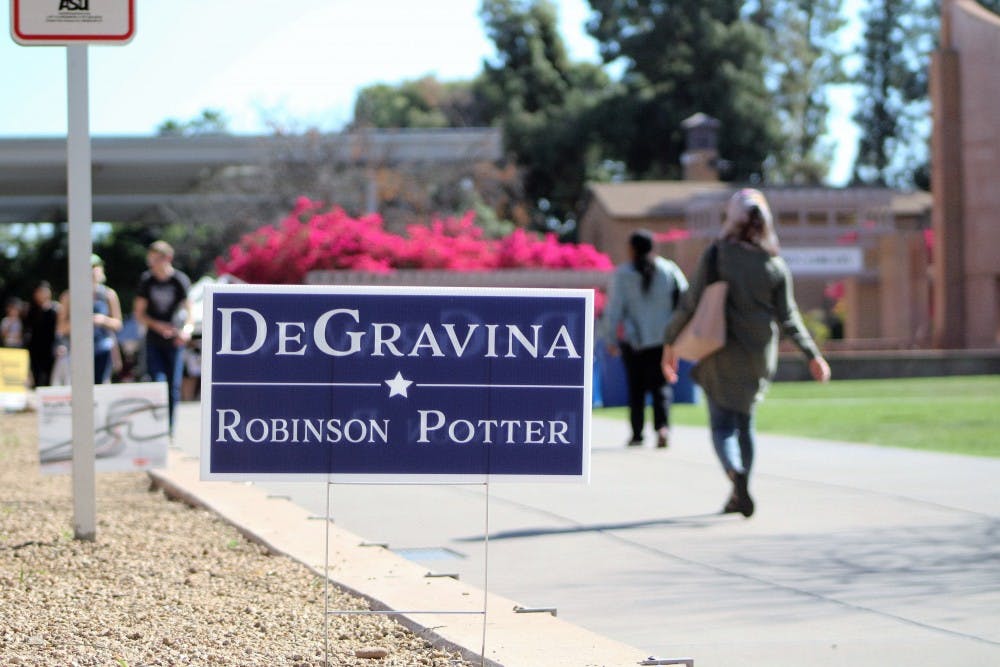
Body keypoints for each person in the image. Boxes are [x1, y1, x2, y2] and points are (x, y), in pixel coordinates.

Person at [662, 189, 830, 518]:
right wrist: (813, 354)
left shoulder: (717, 255)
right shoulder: (775, 265)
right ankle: (740, 490)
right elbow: (789, 316)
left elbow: (691, 301)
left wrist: (670, 343)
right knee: (745, 424)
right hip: (758, 354)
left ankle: (734, 475)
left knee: (721, 426)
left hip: (719, 351)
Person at [603, 229, 688, 448]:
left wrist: (610, 339)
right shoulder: (669, 270)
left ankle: (637, 434)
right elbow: (685, 299)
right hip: (663, 339)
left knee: (636, 389)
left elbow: (614, 310)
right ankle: (662, 427)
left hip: (635, 341)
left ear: (632, 249)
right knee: (661, 386)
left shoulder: (623, 274)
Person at [133, 241, 193, 432]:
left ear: (167, 258)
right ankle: (155, 427)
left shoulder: (179, 280)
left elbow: (189, 311)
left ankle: (169, 430)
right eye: (150, 259)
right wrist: (157, 326)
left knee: (173, 386)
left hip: (175, 340)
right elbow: (139, 314)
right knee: (157, 381)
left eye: (155, 258)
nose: (152, 263)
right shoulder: (147, 280)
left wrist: (186, 331)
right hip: (154, 339)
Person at [55, 254, 124, 384]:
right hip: (77, 349)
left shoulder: (108, 294)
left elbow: (118, 324)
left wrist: (102, 320)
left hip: (103, 349)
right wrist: (80, 323)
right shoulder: (68, 296)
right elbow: (61, 327)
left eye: (94, 267)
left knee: (100, 387)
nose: (91, 271)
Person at [23, 281, 60, 388]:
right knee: (37, 377)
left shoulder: (55, 309)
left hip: (50, 348)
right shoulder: (31, 310)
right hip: (35, 349)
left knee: (50, 377)